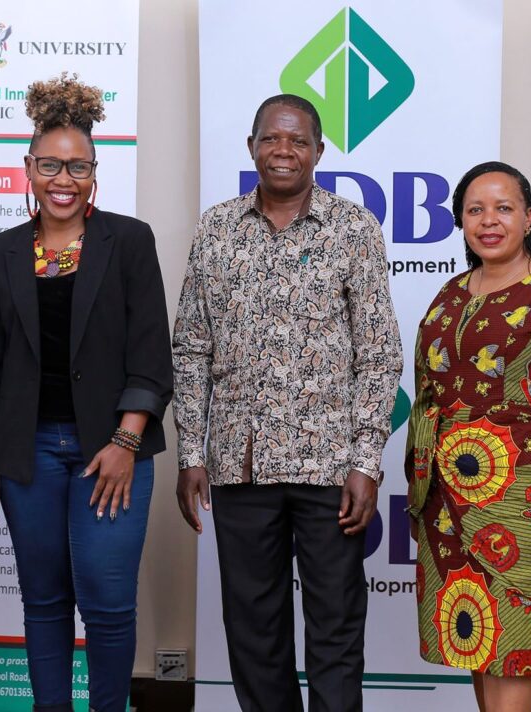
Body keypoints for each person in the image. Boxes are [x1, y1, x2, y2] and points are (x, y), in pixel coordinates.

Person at [173, 93, 403, 712]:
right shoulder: (216, 228)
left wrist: (365, 463)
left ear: (319, 152)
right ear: (251, 147)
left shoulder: (353, 229)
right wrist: (191, 452)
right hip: (239, 465)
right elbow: (191, 349)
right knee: (253, 633)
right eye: (272, 139)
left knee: (335, 627)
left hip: (329, 467)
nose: (283, 151)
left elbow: (379, 356)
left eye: (297, 141)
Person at [0, 73, 172, 712]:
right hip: (25, 457)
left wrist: (124, 442)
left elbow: (151, 354)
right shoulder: (1, 253)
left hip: (111, 453)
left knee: (107, 602)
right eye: (50, 164)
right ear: (28, 167)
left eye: (77, 166)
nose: (63, 178)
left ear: (94, 172)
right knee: (45, 601)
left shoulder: (129, 242)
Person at [405, 161, 531, 712]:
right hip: (448, 507)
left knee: (516, 651)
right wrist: (423, 496)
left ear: (528, 217)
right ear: (460, 221)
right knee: (481, 645)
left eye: (504, 208)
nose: (490, 220)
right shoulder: (451, 293)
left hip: (526, 510)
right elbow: (428, 396)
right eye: (475, 210)